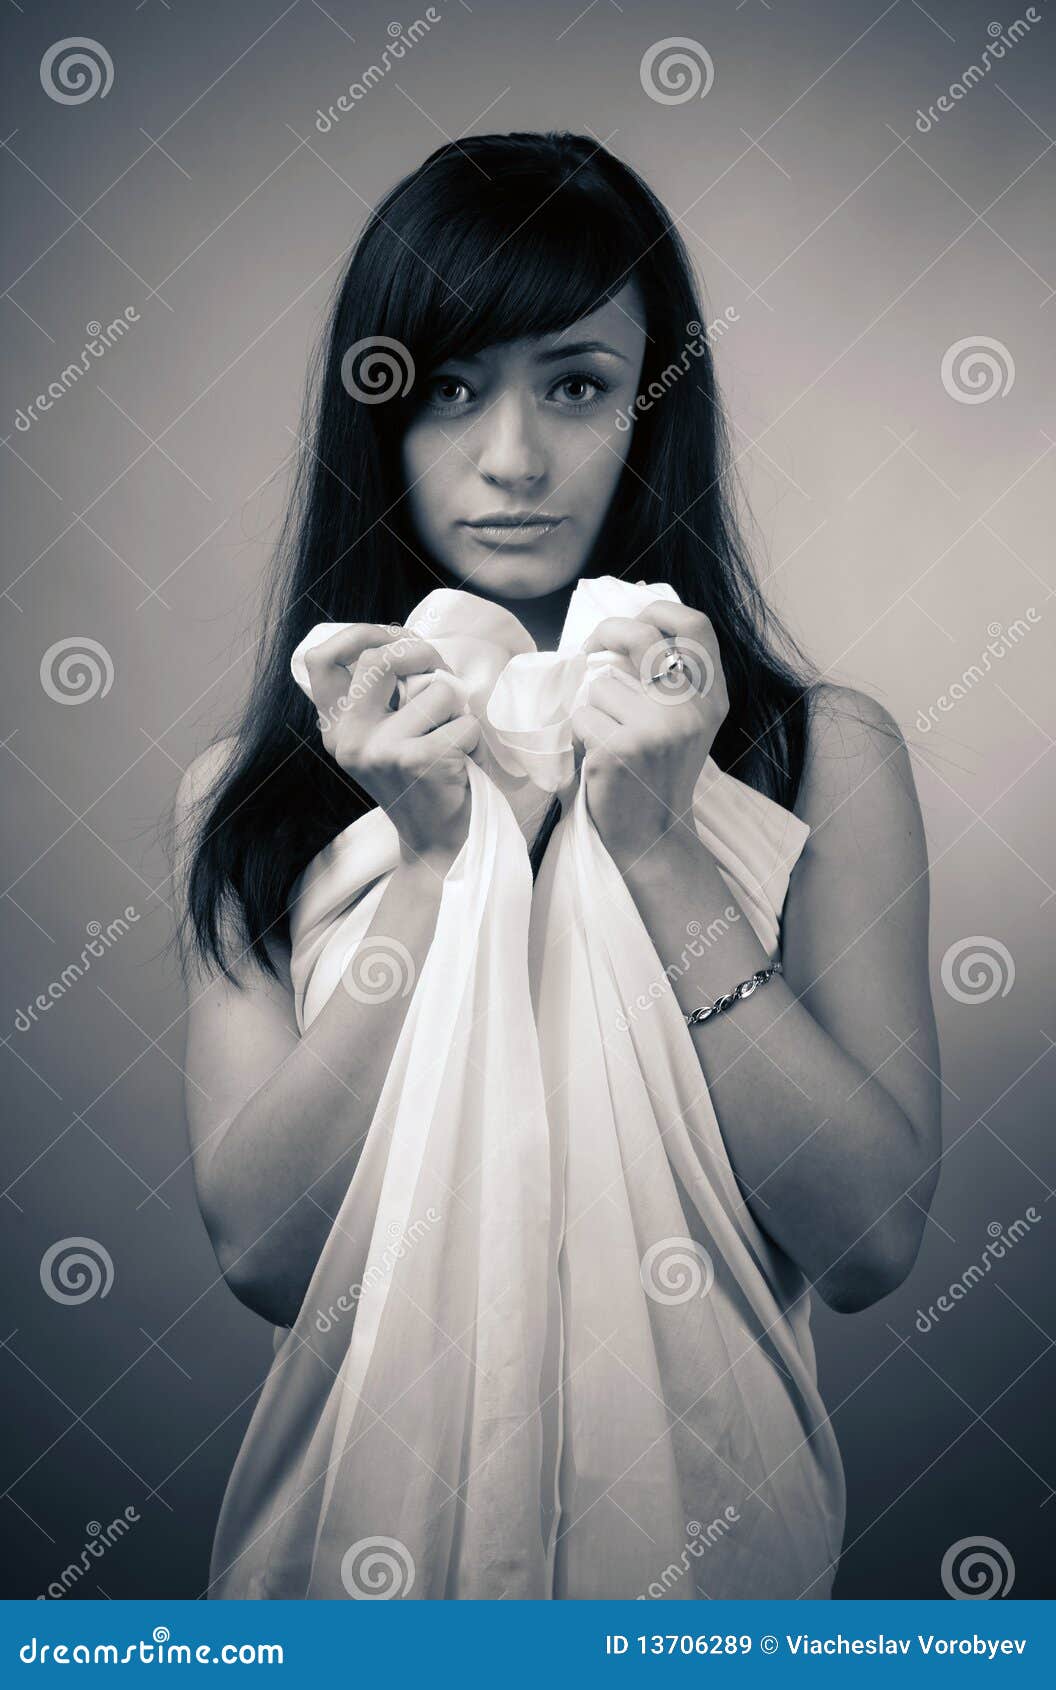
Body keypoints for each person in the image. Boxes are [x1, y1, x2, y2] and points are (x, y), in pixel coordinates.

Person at [173, 132, 941, 1601]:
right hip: (348, 1594)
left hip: (709, 1592)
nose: (513, 458)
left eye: (577, 386)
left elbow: (869, 1235)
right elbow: (268, 1254)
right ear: (379, 413)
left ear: (654, 407)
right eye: (451, 388)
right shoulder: (253, 791)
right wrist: (430, 864)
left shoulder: (820, 753)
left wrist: (659, 847)